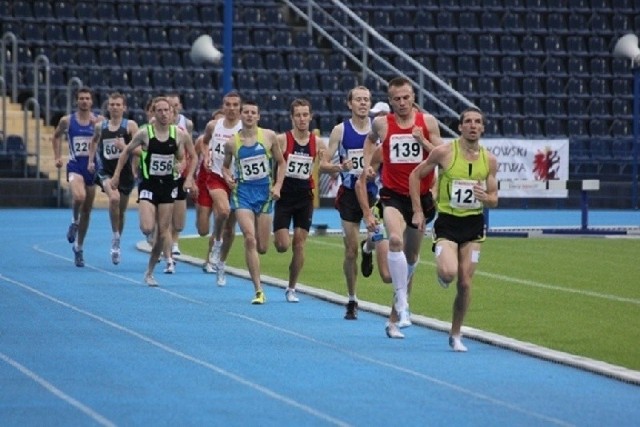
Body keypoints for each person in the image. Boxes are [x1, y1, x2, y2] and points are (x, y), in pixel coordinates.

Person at [410, 107, 498, 351]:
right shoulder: (444, 152)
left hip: (473, 225)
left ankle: (456, 333)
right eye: (467, 121)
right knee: (449, 273)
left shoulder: (489, 160)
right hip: (448, 223)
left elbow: (494, 199)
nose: (472, 125)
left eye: (477, 122)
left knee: (466, 283)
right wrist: (418, 210)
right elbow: (415, 176)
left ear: (482, 128)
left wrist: (485, 197)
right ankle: (442, 271)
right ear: (460, 127)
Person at [362, 76, 443, 338]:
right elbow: (371, 140)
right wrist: (368, 165)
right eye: (396, 99)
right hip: (392, 196)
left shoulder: (427, 122)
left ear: (413, 97)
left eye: (406, 97)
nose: (401, 103)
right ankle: (403, 305)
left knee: (410, 260)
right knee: (394, 240)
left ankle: (394, 318)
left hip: (420, 198)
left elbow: (443, 157)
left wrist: (423, 142)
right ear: (390, 101)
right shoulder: (382, 123)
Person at [110, 96, 197, 286]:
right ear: (154, 113)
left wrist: (188, 175)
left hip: (168, 186)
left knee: (164, 233)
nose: (164, 114)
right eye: (160, 110)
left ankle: (149, 272)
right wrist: (116, 175)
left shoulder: (180, 135)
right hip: (149, 185)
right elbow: (126, 152)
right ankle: (150, 234)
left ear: (173, 113)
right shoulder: (145, 133)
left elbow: (193, 155)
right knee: (148, 227)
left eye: (167, 110)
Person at [321, 86, 377, 320]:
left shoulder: (378, 129)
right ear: (349, 103)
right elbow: (323, 164)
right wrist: (338, 167)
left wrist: (377, 170)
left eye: (366, 100)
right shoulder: (340, 130)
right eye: (358, 100)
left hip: (375, 191)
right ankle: (352, 299)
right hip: (349, 193)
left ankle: (369, 248)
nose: (363, 103)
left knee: (377, 238)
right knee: (350, 250)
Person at [221, 100, 285, 304]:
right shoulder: (232, 143)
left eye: (253, 112)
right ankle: (258, 290)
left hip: (265, 195)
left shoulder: (268, 136)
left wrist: (277, 186)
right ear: (241, 115)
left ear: (258, 116)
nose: (249, 115)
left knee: (263, 246)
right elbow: (225, 166)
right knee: (250, 238)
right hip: (243, 195)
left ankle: (263, 251)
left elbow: (281, 163)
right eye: (246, 112)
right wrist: (228, 177)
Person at [273, 98, 326, 303]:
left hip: (305, 197)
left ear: (311, 116)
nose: (302, 119)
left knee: (300, 244)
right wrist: (275, 185)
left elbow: (326, 165)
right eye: (298, 115)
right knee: (282, 246)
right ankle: (277, 236)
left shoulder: (317, 142)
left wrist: (338, 166)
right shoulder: (282, 140)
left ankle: (291, 288)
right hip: (285, 197)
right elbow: (274, 161)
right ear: (292, 117)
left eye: (305, 115)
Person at [52, 86, 103, 267]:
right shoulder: (67, 121)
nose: (84, 101)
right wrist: (57, 157)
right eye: (81, 98)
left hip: (91, 168)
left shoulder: (98, 121)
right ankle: (74, 221)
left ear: (92, 101)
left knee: (87, 211)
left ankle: (79, 248)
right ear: (76, 101)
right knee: (79, 196)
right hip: (75, 166)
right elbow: (56, 136)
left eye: (87, 98)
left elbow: (108, 139)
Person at [87, 92, 139, 265]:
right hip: (106, 171)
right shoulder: (100, 127)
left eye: (118, 104)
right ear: (108, 107)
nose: (115, 107)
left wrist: (126, 148)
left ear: (124, 107)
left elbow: (142, 150)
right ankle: (115, 239)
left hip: (125, 175)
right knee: (114, 198)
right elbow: (93, 142)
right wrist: (91, 160)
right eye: (112, 104)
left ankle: (117, 239)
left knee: (121, 212)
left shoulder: (131, 126)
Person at [200, 91, 243, 285]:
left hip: (238, 181)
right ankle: (216, 242)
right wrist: (207, 155)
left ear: (240, 108)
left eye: (235, 105)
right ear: (223, 106)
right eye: (228, 104)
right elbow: (205, 142)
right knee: (223, 211)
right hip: (216, 176)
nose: (232, 108)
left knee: (231, 228)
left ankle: (222, 264)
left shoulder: (246, 128)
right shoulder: (213, 125)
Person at [358, 100, 392, 280]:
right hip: (380, 199)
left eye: (380, 115)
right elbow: (362, 179)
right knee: (386, 274)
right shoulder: (376, 144)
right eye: (375, 116)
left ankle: (366, 247)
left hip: (400, 203)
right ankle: (367, 247)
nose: (376, 119)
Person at [163, 93, 195, 273]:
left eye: (176, 105)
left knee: (179, 220)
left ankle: (174, 239)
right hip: (163, 175)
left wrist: (187, 170)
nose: (173, 108)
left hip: (181, 173)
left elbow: (189, 149)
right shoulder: (157, 123)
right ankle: (169, 248)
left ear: (180, 106)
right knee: (165, 215)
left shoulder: (186, 124)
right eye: (170, 104)